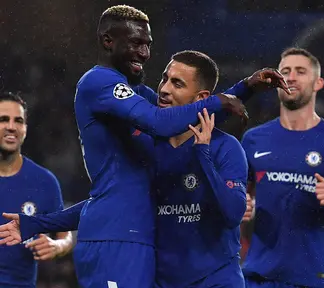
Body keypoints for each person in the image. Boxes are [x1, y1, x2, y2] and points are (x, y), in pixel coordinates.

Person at [0, 5, 290, 288]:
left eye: (148, 44)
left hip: (139, 246)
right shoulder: (101, 83)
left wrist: (244, 89)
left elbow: (183, 115)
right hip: (115, 243)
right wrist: (223, 99)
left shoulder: (157, 122)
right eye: (136, 43)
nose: (145, 54)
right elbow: (163, 119)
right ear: (108, 41)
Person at [240, 47, 324, 288]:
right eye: (285, 71)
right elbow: (241, 196)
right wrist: (242, 206)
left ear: (318, 83)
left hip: (309, 279)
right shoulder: (253, 139)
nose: (290, 77)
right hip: (257, 277)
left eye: (300, 71)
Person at [154, 50, 247, 288]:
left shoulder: (225, 147)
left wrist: (202, 154)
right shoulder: (147, 147)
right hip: (162, 281)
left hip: (215, 280)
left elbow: (233, 214)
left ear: (201, 98)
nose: (164, 89)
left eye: (177, 83)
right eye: (164, 78)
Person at [0, 92, 73, 287]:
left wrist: (56, 247)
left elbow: (64, 236)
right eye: (3, 119)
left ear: (25, 128)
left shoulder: (44, 182)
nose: (11, 127)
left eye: (19, 121)